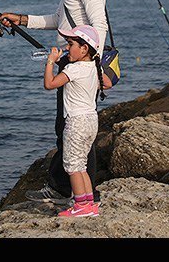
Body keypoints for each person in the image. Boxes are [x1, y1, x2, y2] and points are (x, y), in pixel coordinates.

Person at [0, 0, 109, 206]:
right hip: (74, 64)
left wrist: (89, 63)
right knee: (66, 127)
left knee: (77, 128)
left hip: (79, 68)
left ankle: (82, 195)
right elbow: (59, 21)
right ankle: (65, 190)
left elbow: (100, 24)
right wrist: (21, 20)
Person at [43, 25, 101, 218]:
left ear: (84, 49)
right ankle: (89, 203)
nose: (67, 48)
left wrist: (50, 62)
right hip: (91, 120)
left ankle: (79, 206)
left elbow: (50, 84)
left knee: (72, 166)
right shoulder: (93, 67)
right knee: (81, 165)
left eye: (71, 44)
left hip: (76, 122)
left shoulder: (74, 69)